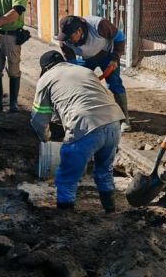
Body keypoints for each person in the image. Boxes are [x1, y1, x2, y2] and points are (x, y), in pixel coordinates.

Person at [31, 51, 125, 212]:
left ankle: (66, 218)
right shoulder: (85, 71)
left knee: (67, 177)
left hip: (84, 124)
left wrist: (45, 138)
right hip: (113, 122)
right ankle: (110, 212)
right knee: (104, 170)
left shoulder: (45, 80)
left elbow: (39, 119)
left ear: (45, 69)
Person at [56, 15, 131, 132]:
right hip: (85, 59)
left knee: (114, 84)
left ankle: (124, 119)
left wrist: (115, 58)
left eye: (70, 37)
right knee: (76, 83)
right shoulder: (64, 41)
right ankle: (82, 115)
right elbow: (71, 63)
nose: (68, 41)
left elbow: (120, 38)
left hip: (107, 55)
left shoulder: (99, 26)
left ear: (79, 31)